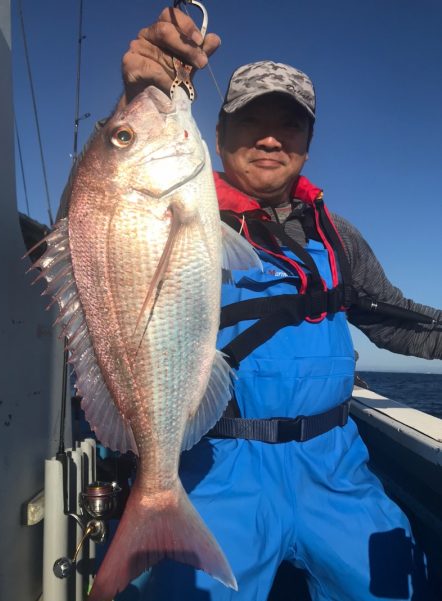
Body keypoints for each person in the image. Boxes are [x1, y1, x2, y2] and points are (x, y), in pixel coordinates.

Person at [108, 7, 441, 601]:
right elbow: (99, 243)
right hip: (216, 467)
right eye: (249, 120)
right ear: (217, 135)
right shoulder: (159, 213)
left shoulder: (338, 235)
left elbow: (397, 324)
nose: (268, 137)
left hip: (336, 468)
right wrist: (140, 99)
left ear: (308, 144)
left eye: (287, 125)